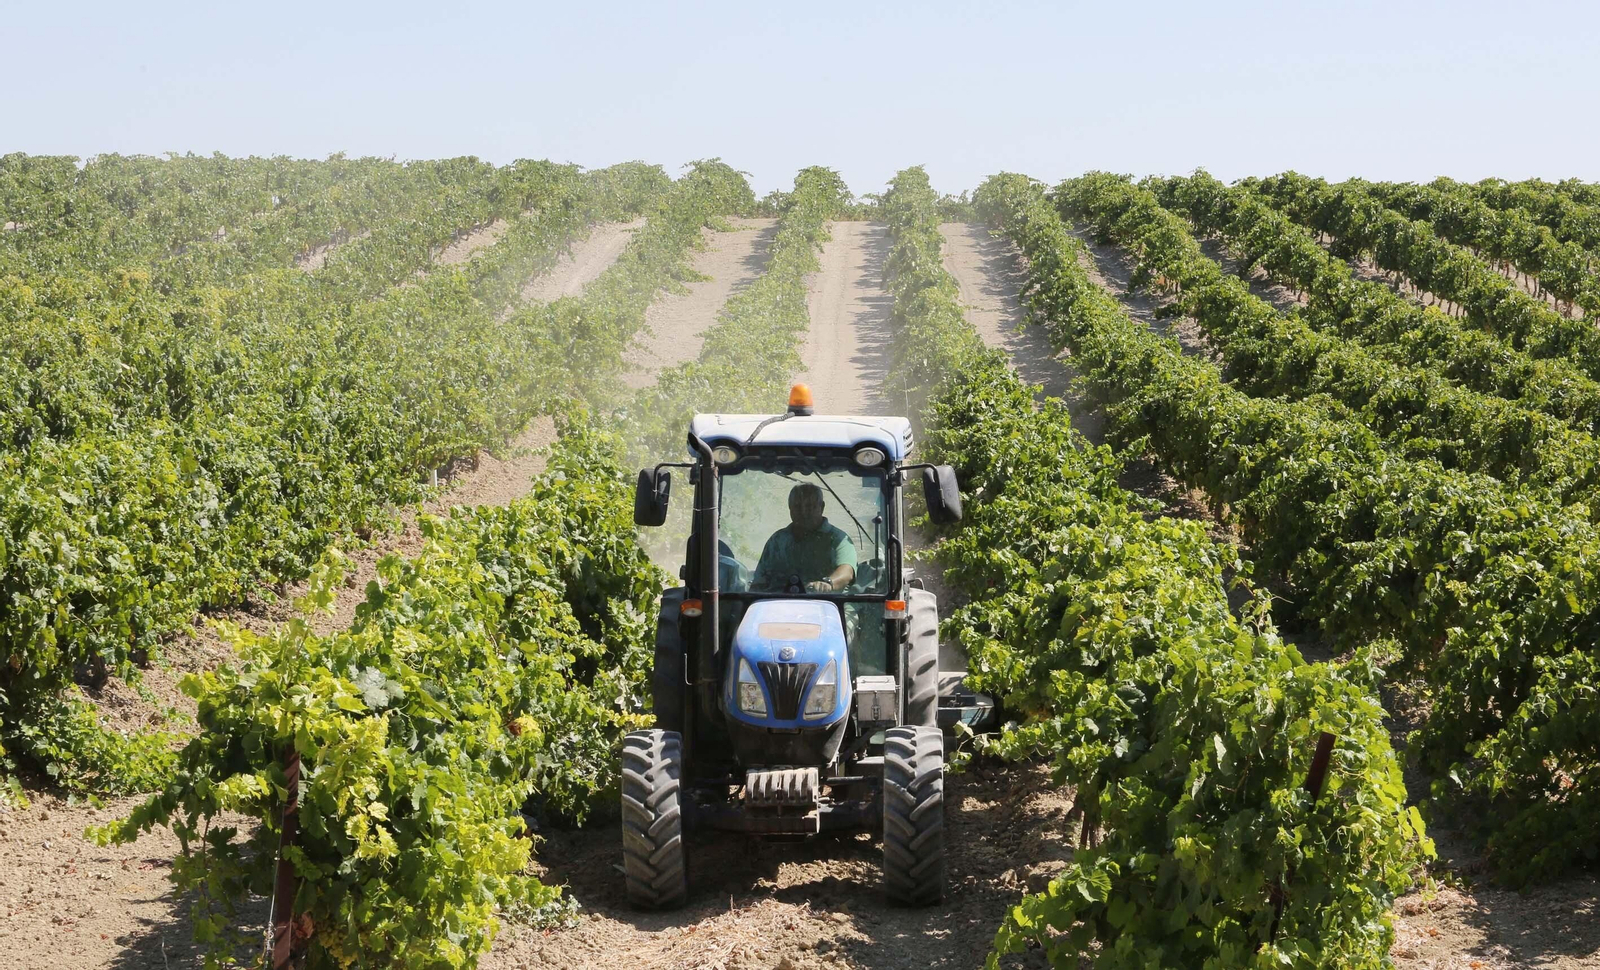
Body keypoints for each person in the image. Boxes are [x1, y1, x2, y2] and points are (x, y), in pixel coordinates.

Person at [752, 483, 856, 594]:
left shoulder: (838, 539)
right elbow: (759, 582)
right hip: (780, 604)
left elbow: (846, 572)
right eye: (797, 507)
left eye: (810, 506)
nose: (804, 512)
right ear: (790, 508)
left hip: (829, 604)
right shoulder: (777, 540)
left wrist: (828, 583)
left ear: (822, 507)